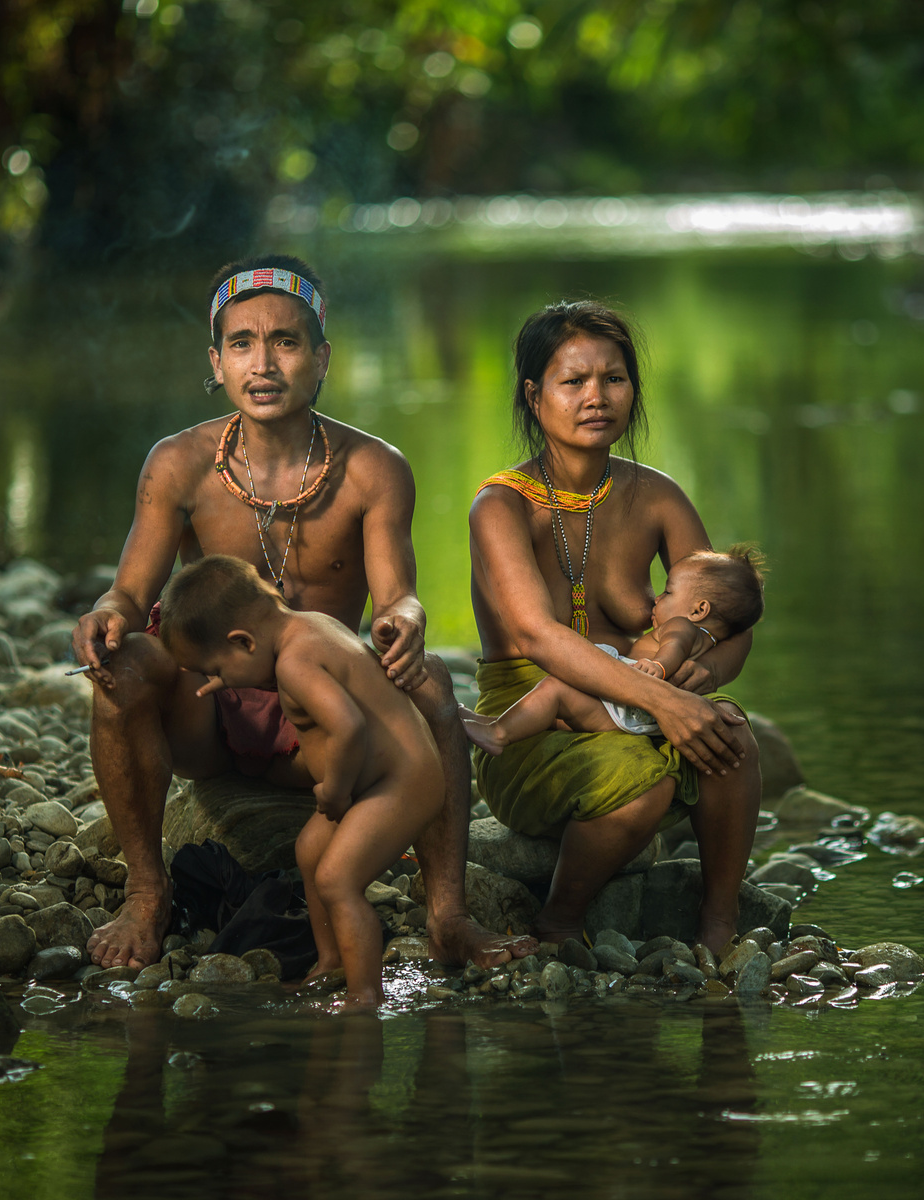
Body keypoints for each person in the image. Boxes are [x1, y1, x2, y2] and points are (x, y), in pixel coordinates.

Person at [71, 253, 534, 971]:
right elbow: (129, 596)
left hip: (312, 710)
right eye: (242, 343)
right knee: (122, 672)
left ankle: (449, 914)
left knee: (434, 685)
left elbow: (399, 595)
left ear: (321, 360)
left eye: (286, 342)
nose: (264, 364)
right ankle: (145, 893)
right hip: (209, 708)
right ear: (216, 361)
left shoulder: (374, 467)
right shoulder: (178, 462)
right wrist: (105, 614)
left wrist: (403, 622)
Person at [468, 300, 764, 952]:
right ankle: (559, 919)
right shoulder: (499, 506)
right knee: (642, 779)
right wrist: (664, 699)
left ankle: (719, 924)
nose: (596, 397)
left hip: (638, 710)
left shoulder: (657, 496)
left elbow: (732, 617)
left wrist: (700, 674)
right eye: (573, 382)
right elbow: (538, 636)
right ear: (533, 394)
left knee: (736, 741)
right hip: (534, 725)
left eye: (614, 379)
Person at [155, 555, 442, 1008]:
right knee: (310, 851)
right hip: (384, 772)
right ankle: (329, 960)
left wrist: (336, 789)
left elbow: (348, 726)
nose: (218, 684)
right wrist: (227, 677)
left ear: (243, 641)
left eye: (217, 672)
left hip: (402, 780)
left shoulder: (294, 663)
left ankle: (364, 995)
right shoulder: (310, 627)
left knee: (336, 878)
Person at [461, 546, 765, 752]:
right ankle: (500, 725)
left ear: (699, 610)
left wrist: (658, 666)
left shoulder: (683, 626)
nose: (657, 600)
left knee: (556, 689)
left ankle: (499, 734)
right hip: (639, 713)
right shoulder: (706, 638)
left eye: (668, 591)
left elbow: (674, 646)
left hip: (634, 700)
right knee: (564, 710)